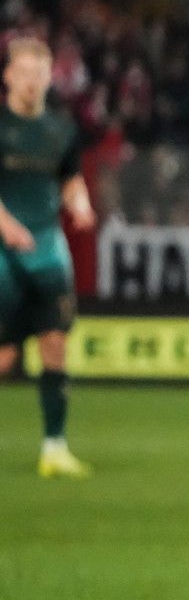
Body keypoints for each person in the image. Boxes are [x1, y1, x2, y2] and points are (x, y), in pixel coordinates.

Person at [0, 38, 95, 478]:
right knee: (4, 357)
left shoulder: (60, 130)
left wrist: (80, 203)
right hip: (3, 250)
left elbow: (70, 178)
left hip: (47, 247)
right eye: (25, 70)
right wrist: (6, 226)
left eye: (41, 71)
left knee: (55, 341)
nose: (34, 79)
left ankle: (54, 447)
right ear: (8, 76)